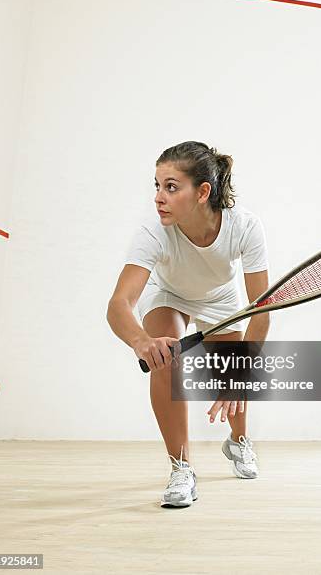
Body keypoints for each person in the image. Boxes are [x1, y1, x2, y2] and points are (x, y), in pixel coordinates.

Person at [107, 141, 270, 508]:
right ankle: (181, 468)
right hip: (170, 295)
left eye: (171, 186)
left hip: (222, 300)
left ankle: (239, 441)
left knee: (233, 372)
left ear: (203, 192)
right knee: (166, 357)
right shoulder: (153, 232)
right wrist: (140, 342)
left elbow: (261, 310)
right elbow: (119, 304)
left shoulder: (244, 226)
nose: (159, 197)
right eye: (156, 185)